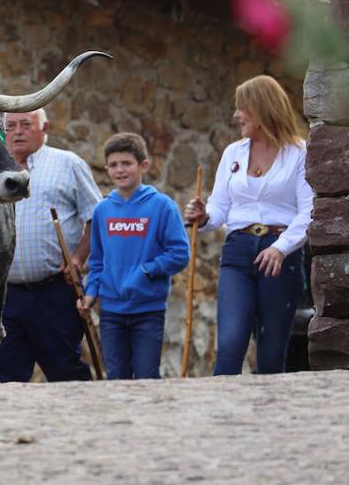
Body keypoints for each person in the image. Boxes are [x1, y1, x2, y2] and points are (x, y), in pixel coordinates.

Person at [184, 75, 312, 375]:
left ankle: (268, 419)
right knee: (229, 345)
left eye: (243, 108)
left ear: (263, 109)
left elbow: (308, 212)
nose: (236, 115)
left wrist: (281, 249)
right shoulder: (233, 153)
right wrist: (203, 216)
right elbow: (220, 207)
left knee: (271, 353)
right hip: (238, 251)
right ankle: (221, 417)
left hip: (281, 256)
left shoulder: (299, 153)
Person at [0, 109, 102, 382]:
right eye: (10, 126)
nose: (17, 131)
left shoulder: (68, 163)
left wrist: (78, 258)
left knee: (64, 370)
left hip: (54, 290)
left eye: (25, 125)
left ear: (44, 127)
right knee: (7, 375)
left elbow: (96, 217)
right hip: (6, 295)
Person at [79, 133, 189, 379]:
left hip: (148, 311)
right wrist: (90, 293)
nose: (120, 170)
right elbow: (97, 262)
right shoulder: (102, 211)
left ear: (144, 165)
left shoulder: (163, 206)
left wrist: (147, 270)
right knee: (116, 377)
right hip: (111, 312)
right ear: (107, 168)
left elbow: (180, 253)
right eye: (114, 165)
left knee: (146, 376)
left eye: (127, 163)